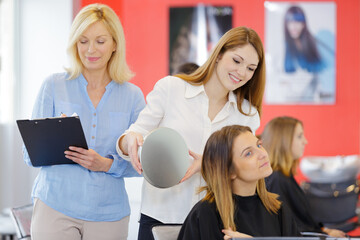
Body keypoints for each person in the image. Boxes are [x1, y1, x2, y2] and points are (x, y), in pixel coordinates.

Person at [117, 26, 266, 240]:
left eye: (251, 68)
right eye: (236, 61)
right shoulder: (171, 89)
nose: (242, 73)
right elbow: (131, 137)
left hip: (214, 222)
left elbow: (243, 170)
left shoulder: (247, 115)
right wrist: (129, 140)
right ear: (219, 54)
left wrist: (208, 162)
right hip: (160, 218)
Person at [23, 4, 145, 240]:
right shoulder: (53, 86)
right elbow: (29, 156)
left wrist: (106, 164)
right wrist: (54, 138)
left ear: (115, 44)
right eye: (83, 41)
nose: (91, 50)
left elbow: (143, 165)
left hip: (109, 214)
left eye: (100, 41)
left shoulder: (133, 96)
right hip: (55, 206)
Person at [178, 125, 300, 239]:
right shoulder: (204, 215)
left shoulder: (277, 210)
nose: (262, 154)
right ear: (229, 171)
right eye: (248, 153)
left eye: (259, 145)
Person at [262, 116, 346, 238]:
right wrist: (324, 234)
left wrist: (324, 231)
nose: (305, 141)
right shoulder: (277, 180)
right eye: (299, 136)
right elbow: (287, 229)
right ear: (284, 140)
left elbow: (298, 221)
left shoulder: (284, 176)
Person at [283, 5, 335, 102]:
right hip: (300, 97)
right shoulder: (288, 47)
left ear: (303, 24)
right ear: (286, 24)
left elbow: (326, 69)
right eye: (290, 21)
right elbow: (288, 72)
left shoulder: (315, 42)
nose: (293, 26)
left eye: (297, 21)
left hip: (319, 93)